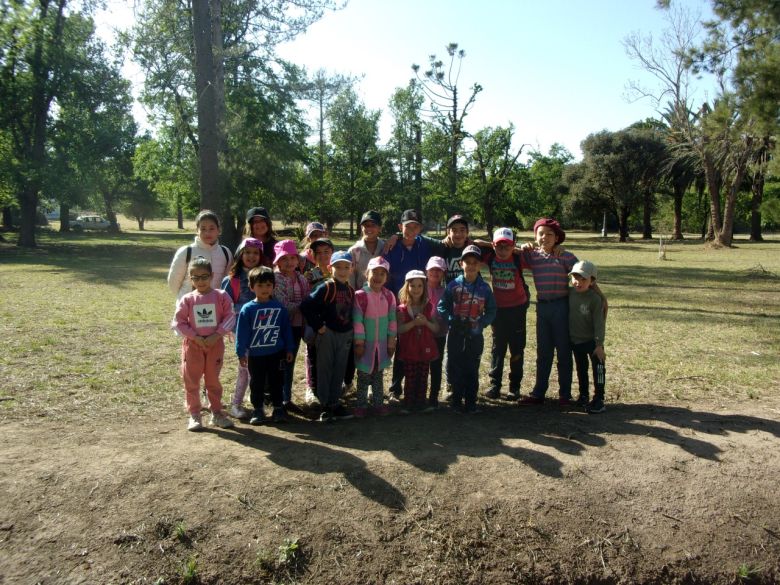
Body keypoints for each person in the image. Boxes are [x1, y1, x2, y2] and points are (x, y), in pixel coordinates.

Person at [517, 218, 579, 406]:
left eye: (550, 234)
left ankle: (565, 394)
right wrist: (523, 246)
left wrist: (599, 297)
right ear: (535, 236)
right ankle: (538, 393)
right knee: (543, 352)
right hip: (542, 307)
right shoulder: (532, 255)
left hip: (561, 306)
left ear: (558, 237)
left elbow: (582, 273)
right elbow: (511, 252)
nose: (545, 237)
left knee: (563, 351)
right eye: (540, 233)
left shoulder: (565, 256)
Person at [172, 257, 235, 431]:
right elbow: (178, 322)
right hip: (193, 346)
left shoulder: (221, 296)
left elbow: (230, 316)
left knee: (213, 380)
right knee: (191, 380)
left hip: (215, 345)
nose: (200, 281)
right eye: (196, 278)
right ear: (190, 279)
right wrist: (195, 337)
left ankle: (216, 413)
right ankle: (194, 414)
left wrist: (217, 334)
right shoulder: (188, 299)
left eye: (204, 277)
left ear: (212, 275)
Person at [437, 245, 497, 413]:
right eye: (467, 262)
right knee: (455, 366)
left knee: (472, 367)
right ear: (461, 264)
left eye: (474, 262)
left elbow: (492, 310)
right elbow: (442, 307)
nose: (470, 266)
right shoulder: (453, 286)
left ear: (480, 265)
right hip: (456, 333)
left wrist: (482, 323)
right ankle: (456, 401)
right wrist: (451, 319)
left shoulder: (485, 288)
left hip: (475, 335)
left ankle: (471, 402)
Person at [235, 266, 295, 425]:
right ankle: (258, 410)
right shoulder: (247, 309)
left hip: (276, 353)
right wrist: (241, 352)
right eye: (260, 285)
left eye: (268, 285)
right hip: (256, 355)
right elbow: (242, 333)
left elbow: (286, 330)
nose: (264, 289)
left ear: (273, 287)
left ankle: (278, 408)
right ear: (251, 286)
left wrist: (289, 348)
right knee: (257, 383)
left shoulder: (279, 308)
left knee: (277, 381)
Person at [300, 251, 355, 422]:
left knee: (339, 368)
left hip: (344, 334)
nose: (342, 270)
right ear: (331, 268)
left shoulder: (351, 290)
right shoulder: (326, 286)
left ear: (351, 269)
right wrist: (319, 326)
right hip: (328, 333)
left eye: (346, 267)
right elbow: (306, 306)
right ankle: (324, 405)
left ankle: (334, 402)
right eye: (338, 267)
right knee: (325, 368)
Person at [481, 228, 530, 401]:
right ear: (493, 246)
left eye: (507, 246)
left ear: (513, 246)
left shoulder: (518, 258)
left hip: (517, 309)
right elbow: (474, 244)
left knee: (517, 348)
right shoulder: (490, 257)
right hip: (499, 310)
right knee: (498, 348)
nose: (503, 250)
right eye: (499, 246)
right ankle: (495, 385)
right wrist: (489, 245)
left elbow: (538, 256)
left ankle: (514, 387)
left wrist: (525, 248)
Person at [221, 238, 264, 419]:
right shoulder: (231, 280)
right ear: (240, 254)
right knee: (244, 369)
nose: (251, 256)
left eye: (255, 253)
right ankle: (236, 404)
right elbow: (225, 307)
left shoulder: (266, 276)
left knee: (258, 370)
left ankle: (256, 404)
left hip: (261, 330)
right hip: (242, 332)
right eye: (247, 252)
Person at [352, 257, 397, 418]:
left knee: (378, 376)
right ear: (366, 273)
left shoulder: (389, 296)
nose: (377, 277)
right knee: (363, 376)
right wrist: (359, 342)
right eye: (374, 273)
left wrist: (391, 342)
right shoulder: (360, 296)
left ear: (386, 277)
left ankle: (378, 404)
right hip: (365, 345)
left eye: (382, 274)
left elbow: (392, 320)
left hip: (382, 345)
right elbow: (357, 321)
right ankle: (361, 405)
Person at [272, 239, 310, 414]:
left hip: (297, 326)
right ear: (277, 261)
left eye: (292, 258)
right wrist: (303, 305)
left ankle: (286, 398)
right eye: (284, 258)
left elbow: (307, 297)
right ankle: (277, 399)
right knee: (278, 364)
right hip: (280, 327)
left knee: (290, 361)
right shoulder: (275, 278)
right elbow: (283, 304)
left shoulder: (301, 277)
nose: (289, 262)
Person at [397, 270, 440, 412]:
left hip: (425, 349)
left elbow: (436, 328)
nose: (416, 289)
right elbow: (399, 329)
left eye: (419, 286)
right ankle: (408, 403)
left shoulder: (429, 306)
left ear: (424, 287)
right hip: (409, 349)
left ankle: (421, 402)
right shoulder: (402, 308)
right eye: (412, 286)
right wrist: (413, 324)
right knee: (410, 377)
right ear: (407, 287)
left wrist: (426, 322)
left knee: (423, 377)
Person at [167, 210, 233, 303]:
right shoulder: (186, 251)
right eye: (203, 229)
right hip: (188, 307)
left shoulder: (225, 252)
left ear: (218, 230)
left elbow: (228, 281)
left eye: (211, 228)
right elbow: (173, 282)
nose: (207, 233)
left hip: (216, 307)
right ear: (197, 230)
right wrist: (185, 301)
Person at [568, 260, 607, 414]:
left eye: (584, 279)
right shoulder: (570, 294)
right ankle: (583, 395)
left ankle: (599, 398)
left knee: (598, 370)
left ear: (592, 281)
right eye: (576, 278)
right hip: (576, 341)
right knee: (581, 369)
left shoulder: (595, 299)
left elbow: (599, 323)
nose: (578, 282)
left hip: (593, 342)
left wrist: (599, 344)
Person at [301, 237, 334, 406]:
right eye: (318, 252)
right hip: (315, 322)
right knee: (313, 356)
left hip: (334, 322)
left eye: (326, 252)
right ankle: (312, 390)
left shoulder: (339, 270)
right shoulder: (309, 275)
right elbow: (305, 299)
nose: (322, 255)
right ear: (312, 255)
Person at [426, 256, 448, 408]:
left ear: (443, 273)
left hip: (439, 334)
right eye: (432, 269)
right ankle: (418, 393)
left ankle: (433, 396)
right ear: (426, 271)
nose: (435, 272)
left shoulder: (446, 291)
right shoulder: (419, 286)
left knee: (436, 364)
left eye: (439, 270)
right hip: (420, 333)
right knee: (420, 364)